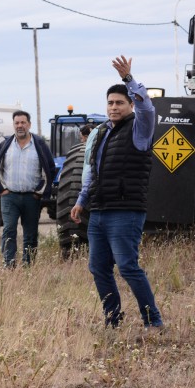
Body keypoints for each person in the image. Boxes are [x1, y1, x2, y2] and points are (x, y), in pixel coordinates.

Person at [70, 55, 164, 335]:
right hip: (99, 212)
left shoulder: (140, 129)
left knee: (127, 266)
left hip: (125, 211)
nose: (114, 107)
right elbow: (93, 171)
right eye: (110, 103)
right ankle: (113, 320)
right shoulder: (100, 134)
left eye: (120, 102)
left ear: (130, 105)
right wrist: (81, 200)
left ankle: (153, 321)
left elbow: (148, 108)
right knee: (98, 268)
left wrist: (129, 79)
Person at [0, 111, 55, 267]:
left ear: (29, 124)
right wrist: (1, 188)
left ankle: (28, 265)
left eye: (23, 122)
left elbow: (50, 169)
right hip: (9, 196)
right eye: (17, 123)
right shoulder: (5, 145)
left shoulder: (39, 145)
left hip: (31, 198)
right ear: (13, 125)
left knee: (30, 234)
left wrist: (39, 192)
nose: (20, 126)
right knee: (9, 230)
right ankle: (9, 265)